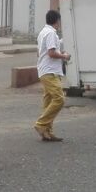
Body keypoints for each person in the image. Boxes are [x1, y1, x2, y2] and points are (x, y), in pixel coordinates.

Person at [34, 9, 72, 143]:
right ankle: (41, 124)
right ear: (57, 20)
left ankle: (47, 132)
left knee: (48, 101)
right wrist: (64, 56)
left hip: (45, 70)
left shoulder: (43, 32)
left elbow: (41, 53)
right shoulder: (51, 33)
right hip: (50, 72)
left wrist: (59, 52)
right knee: (59, 99)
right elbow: (51, 53)